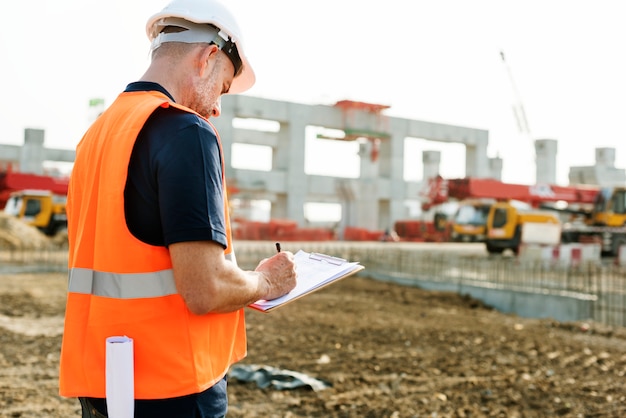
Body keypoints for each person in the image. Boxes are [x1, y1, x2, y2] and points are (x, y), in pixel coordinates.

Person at [58, 0, 297, 416]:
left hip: (104, 381)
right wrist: (267, 283)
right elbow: (204, 289)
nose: (218, 108)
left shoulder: (97, 135)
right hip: (172, 387)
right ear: (207, 58)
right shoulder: (186, 131)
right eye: (223, 87)